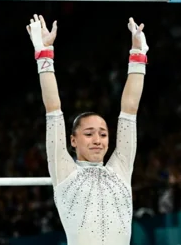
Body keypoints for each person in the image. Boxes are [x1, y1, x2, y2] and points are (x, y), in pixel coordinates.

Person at [26, 14, 148, 245]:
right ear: (72, 140)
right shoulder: (64, 171)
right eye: (89, 133)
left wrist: (137, 54)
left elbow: (130, 110)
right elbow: (53, 108)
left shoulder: (120, 168)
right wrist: (44, 55)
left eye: (103, 134)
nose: (98, 140)